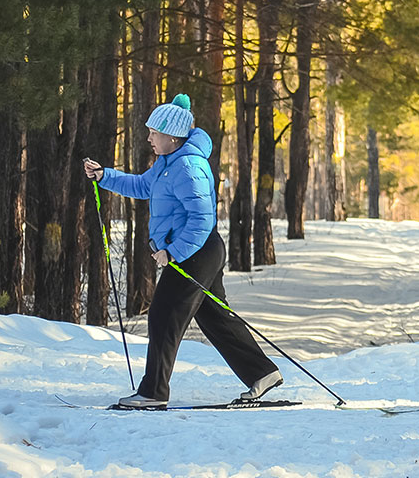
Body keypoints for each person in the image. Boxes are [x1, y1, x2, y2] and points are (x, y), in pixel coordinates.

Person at [82, 94, 281, 409]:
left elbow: (203, 218)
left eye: (154, 133)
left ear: (172, 136)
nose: (149, 138)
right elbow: (142, 187)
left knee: (163, 315)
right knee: (215, 317)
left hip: (196, 250)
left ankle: (153, 392)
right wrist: (105, 176)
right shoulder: (166, 162)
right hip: (198, 249)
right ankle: (263, 373)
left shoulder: (188, 165)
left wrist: (173, 252)